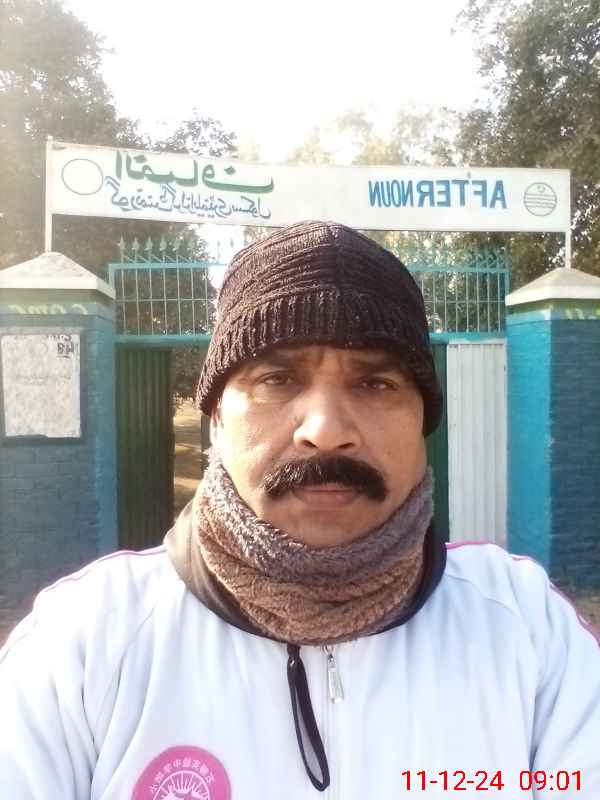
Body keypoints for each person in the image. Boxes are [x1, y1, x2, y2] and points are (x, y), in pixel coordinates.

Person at [1, 220, 599, 799]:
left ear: (424, 421)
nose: (326, 430)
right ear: (216, 417)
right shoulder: (83, 644)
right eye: (277, 379)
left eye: (376, 384)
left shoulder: (527, 631)